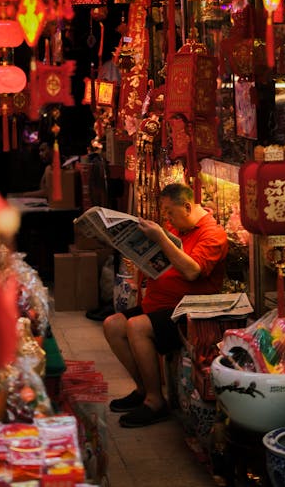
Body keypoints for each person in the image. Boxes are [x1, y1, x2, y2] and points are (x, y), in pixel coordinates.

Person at [102, 182, 228, 428]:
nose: (167, 218)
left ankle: (155, 401)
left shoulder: (213, 234)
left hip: (189, 310)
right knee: (113, 324)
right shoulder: (177, 228)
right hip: (159, 304)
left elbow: (192, 271)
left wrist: (160, 236)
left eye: (170, 212)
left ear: (188, 206)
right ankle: (142, 389)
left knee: (137, 327)